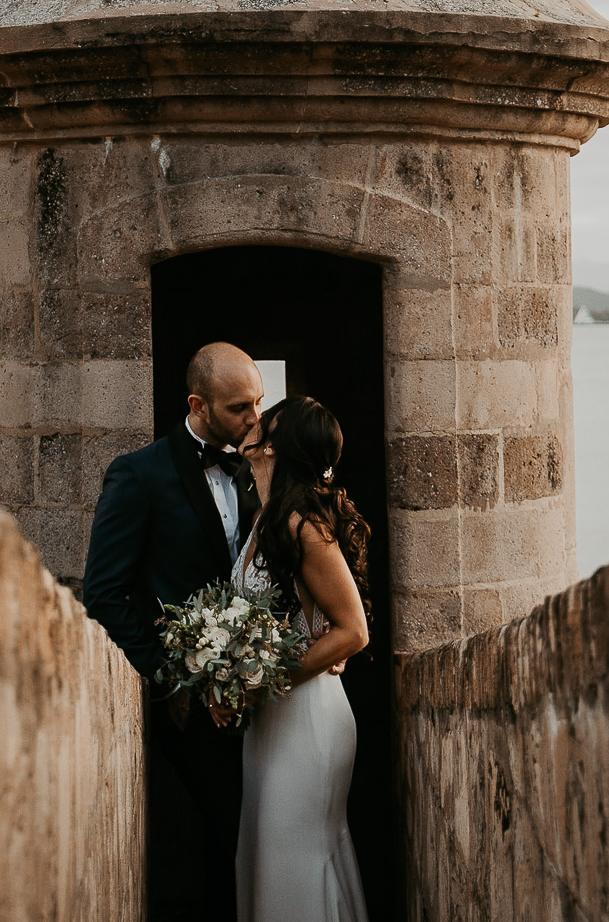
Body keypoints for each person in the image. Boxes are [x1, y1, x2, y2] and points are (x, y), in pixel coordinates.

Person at [83, 342, 264, 922]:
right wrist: (169, 679)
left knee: (251, 833)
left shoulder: (254, 467)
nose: (254, 420)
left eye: (258, 403)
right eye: (240, 408)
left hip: (260, 694)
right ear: (198, 405)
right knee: (227, 826)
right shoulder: (139, 474)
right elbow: (104, 592)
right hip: (188, 705)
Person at [229, 395, 372, 922]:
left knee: (293, 861)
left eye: (263, 419)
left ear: (271, 446)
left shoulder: (303, 525)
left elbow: (352, 630)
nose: (251, 421)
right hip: (272, 720)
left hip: (307, 718)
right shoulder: (269, 518)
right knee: (268, 856)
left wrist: (269, 677)